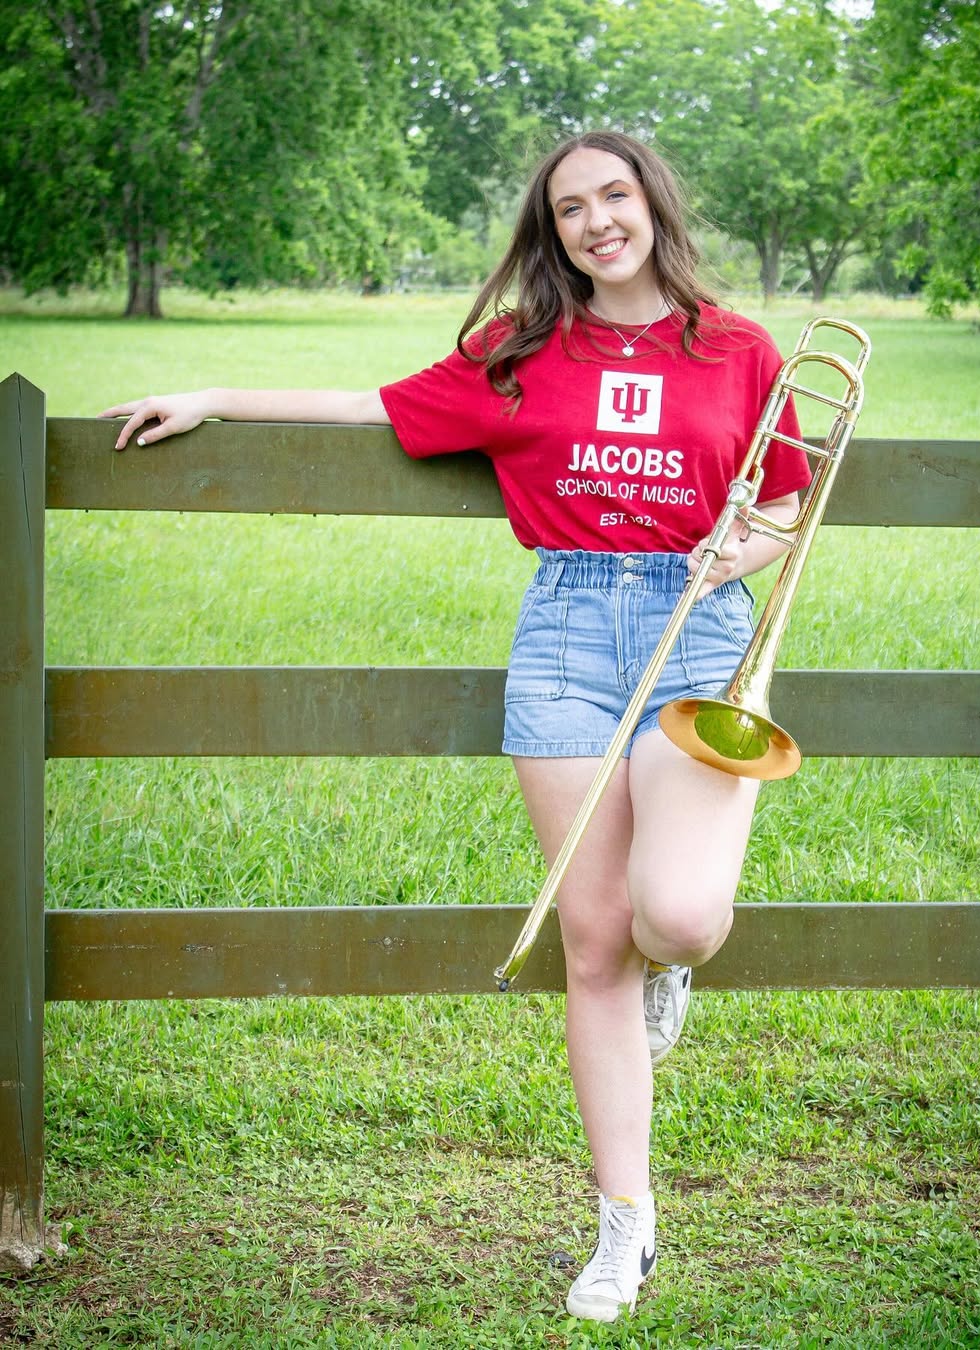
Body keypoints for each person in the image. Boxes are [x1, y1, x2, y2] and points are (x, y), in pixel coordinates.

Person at [101, 130, 811, 1324]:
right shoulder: (520, 350)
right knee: (594, 944)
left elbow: (788, 503)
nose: (597, 221)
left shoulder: (736, 348)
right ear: (552, 232)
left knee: (680, 919)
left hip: (699, 634)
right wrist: (213, 397)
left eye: (615, 196)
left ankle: (669, 968)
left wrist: (734, 553)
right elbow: (365, 405)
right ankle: (625, 1228)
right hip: (566, 639)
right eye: (570, 208)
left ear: (653, 205)